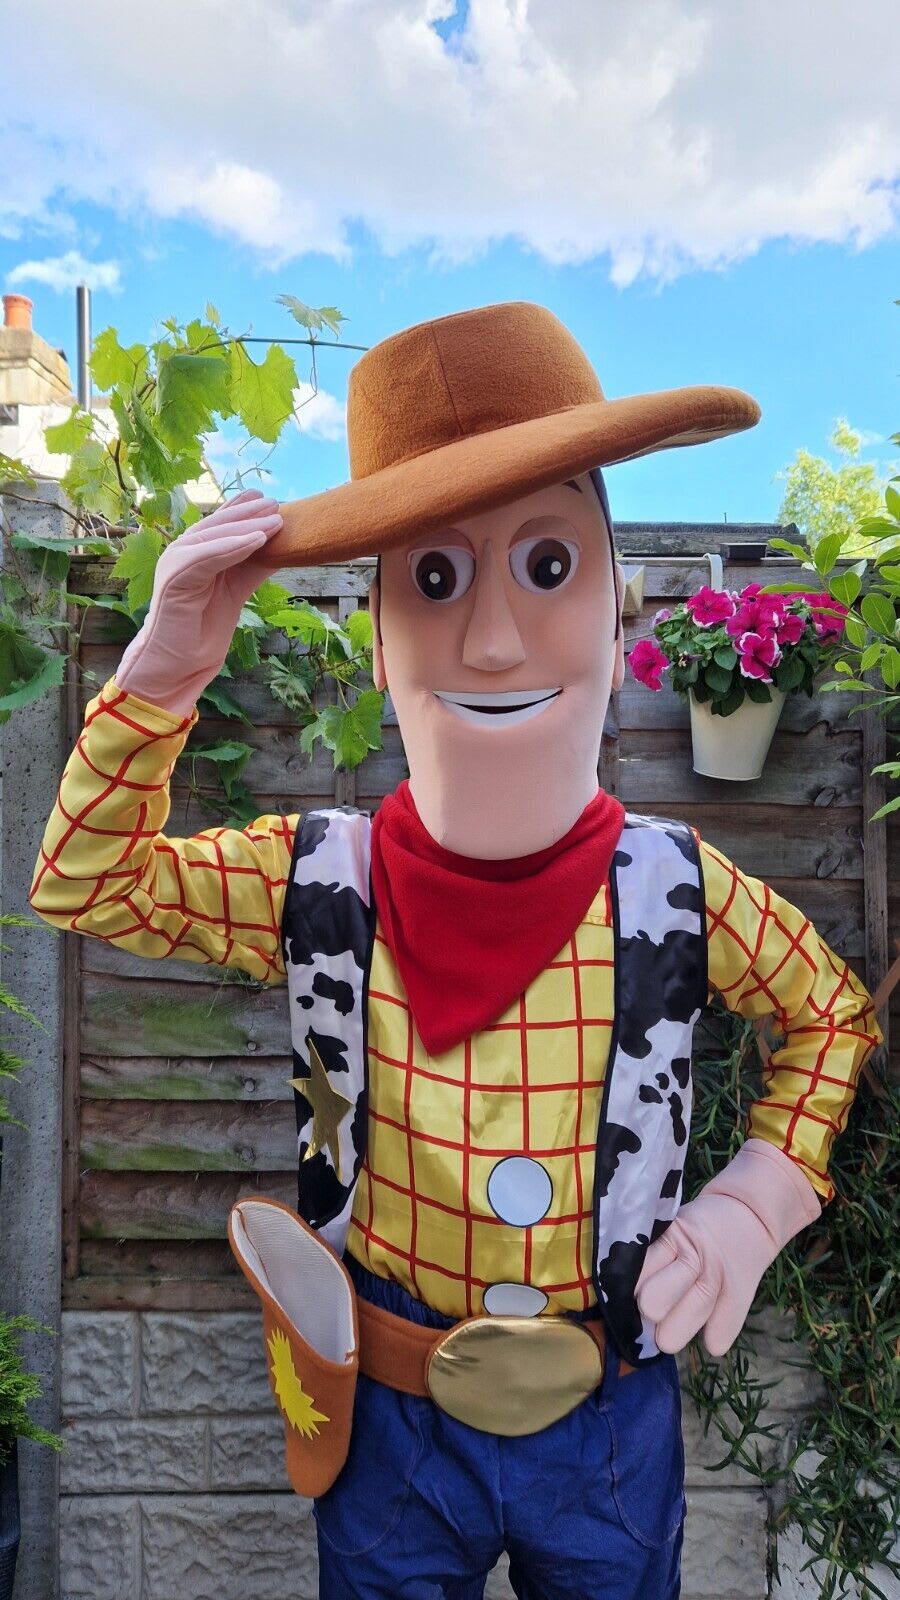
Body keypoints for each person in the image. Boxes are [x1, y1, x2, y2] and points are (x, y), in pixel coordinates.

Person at [29, 302, 883, 1600]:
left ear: (619, 620)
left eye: (547, 565)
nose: (490, 640)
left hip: (607, 1423)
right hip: (388, 1425)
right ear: (379, 637)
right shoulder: (312, 878)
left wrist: (757, 1195)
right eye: (434, 579)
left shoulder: (678, 890)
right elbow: (87, 883)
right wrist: (165, 667)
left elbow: (830, 1015)